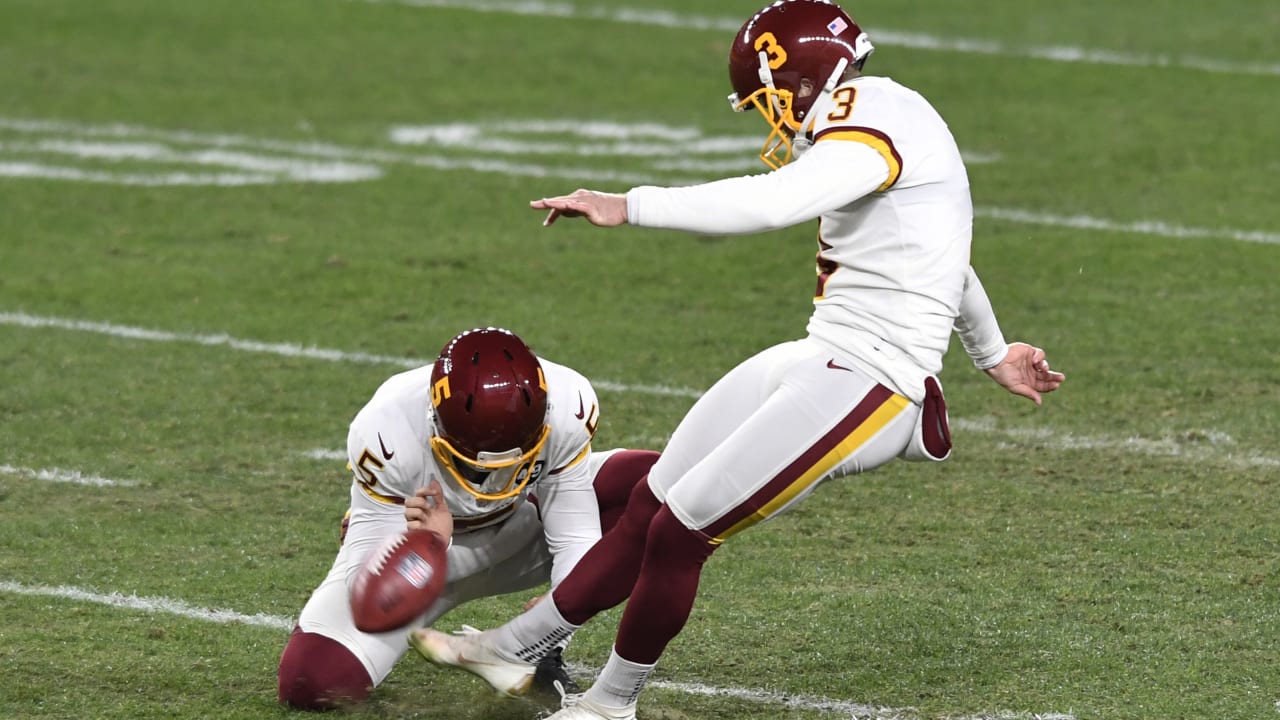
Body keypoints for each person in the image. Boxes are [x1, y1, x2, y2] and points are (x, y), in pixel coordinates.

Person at [410, 2, 1066, 718]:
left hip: (876, 380)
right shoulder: (878, 117)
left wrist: (628, 204)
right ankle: (516, 645)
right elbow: (945, 257)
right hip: (827, 353)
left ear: (805, 80)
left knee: (681, 529)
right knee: (654, 500)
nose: (770, 117)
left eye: (770, 97)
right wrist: (993, 352)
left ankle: (610, 703)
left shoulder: (874, 115)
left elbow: (771, 204)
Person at [276, 326, 660, 710]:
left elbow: (575, 531)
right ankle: (433, 607)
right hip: (427, 568)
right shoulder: (387, 433)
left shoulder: (567, 403)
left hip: (521, 533)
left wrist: (551, 626)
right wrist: (427, 547)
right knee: (312, 683)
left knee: (655, 488)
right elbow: (369, 591)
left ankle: (530, 655)